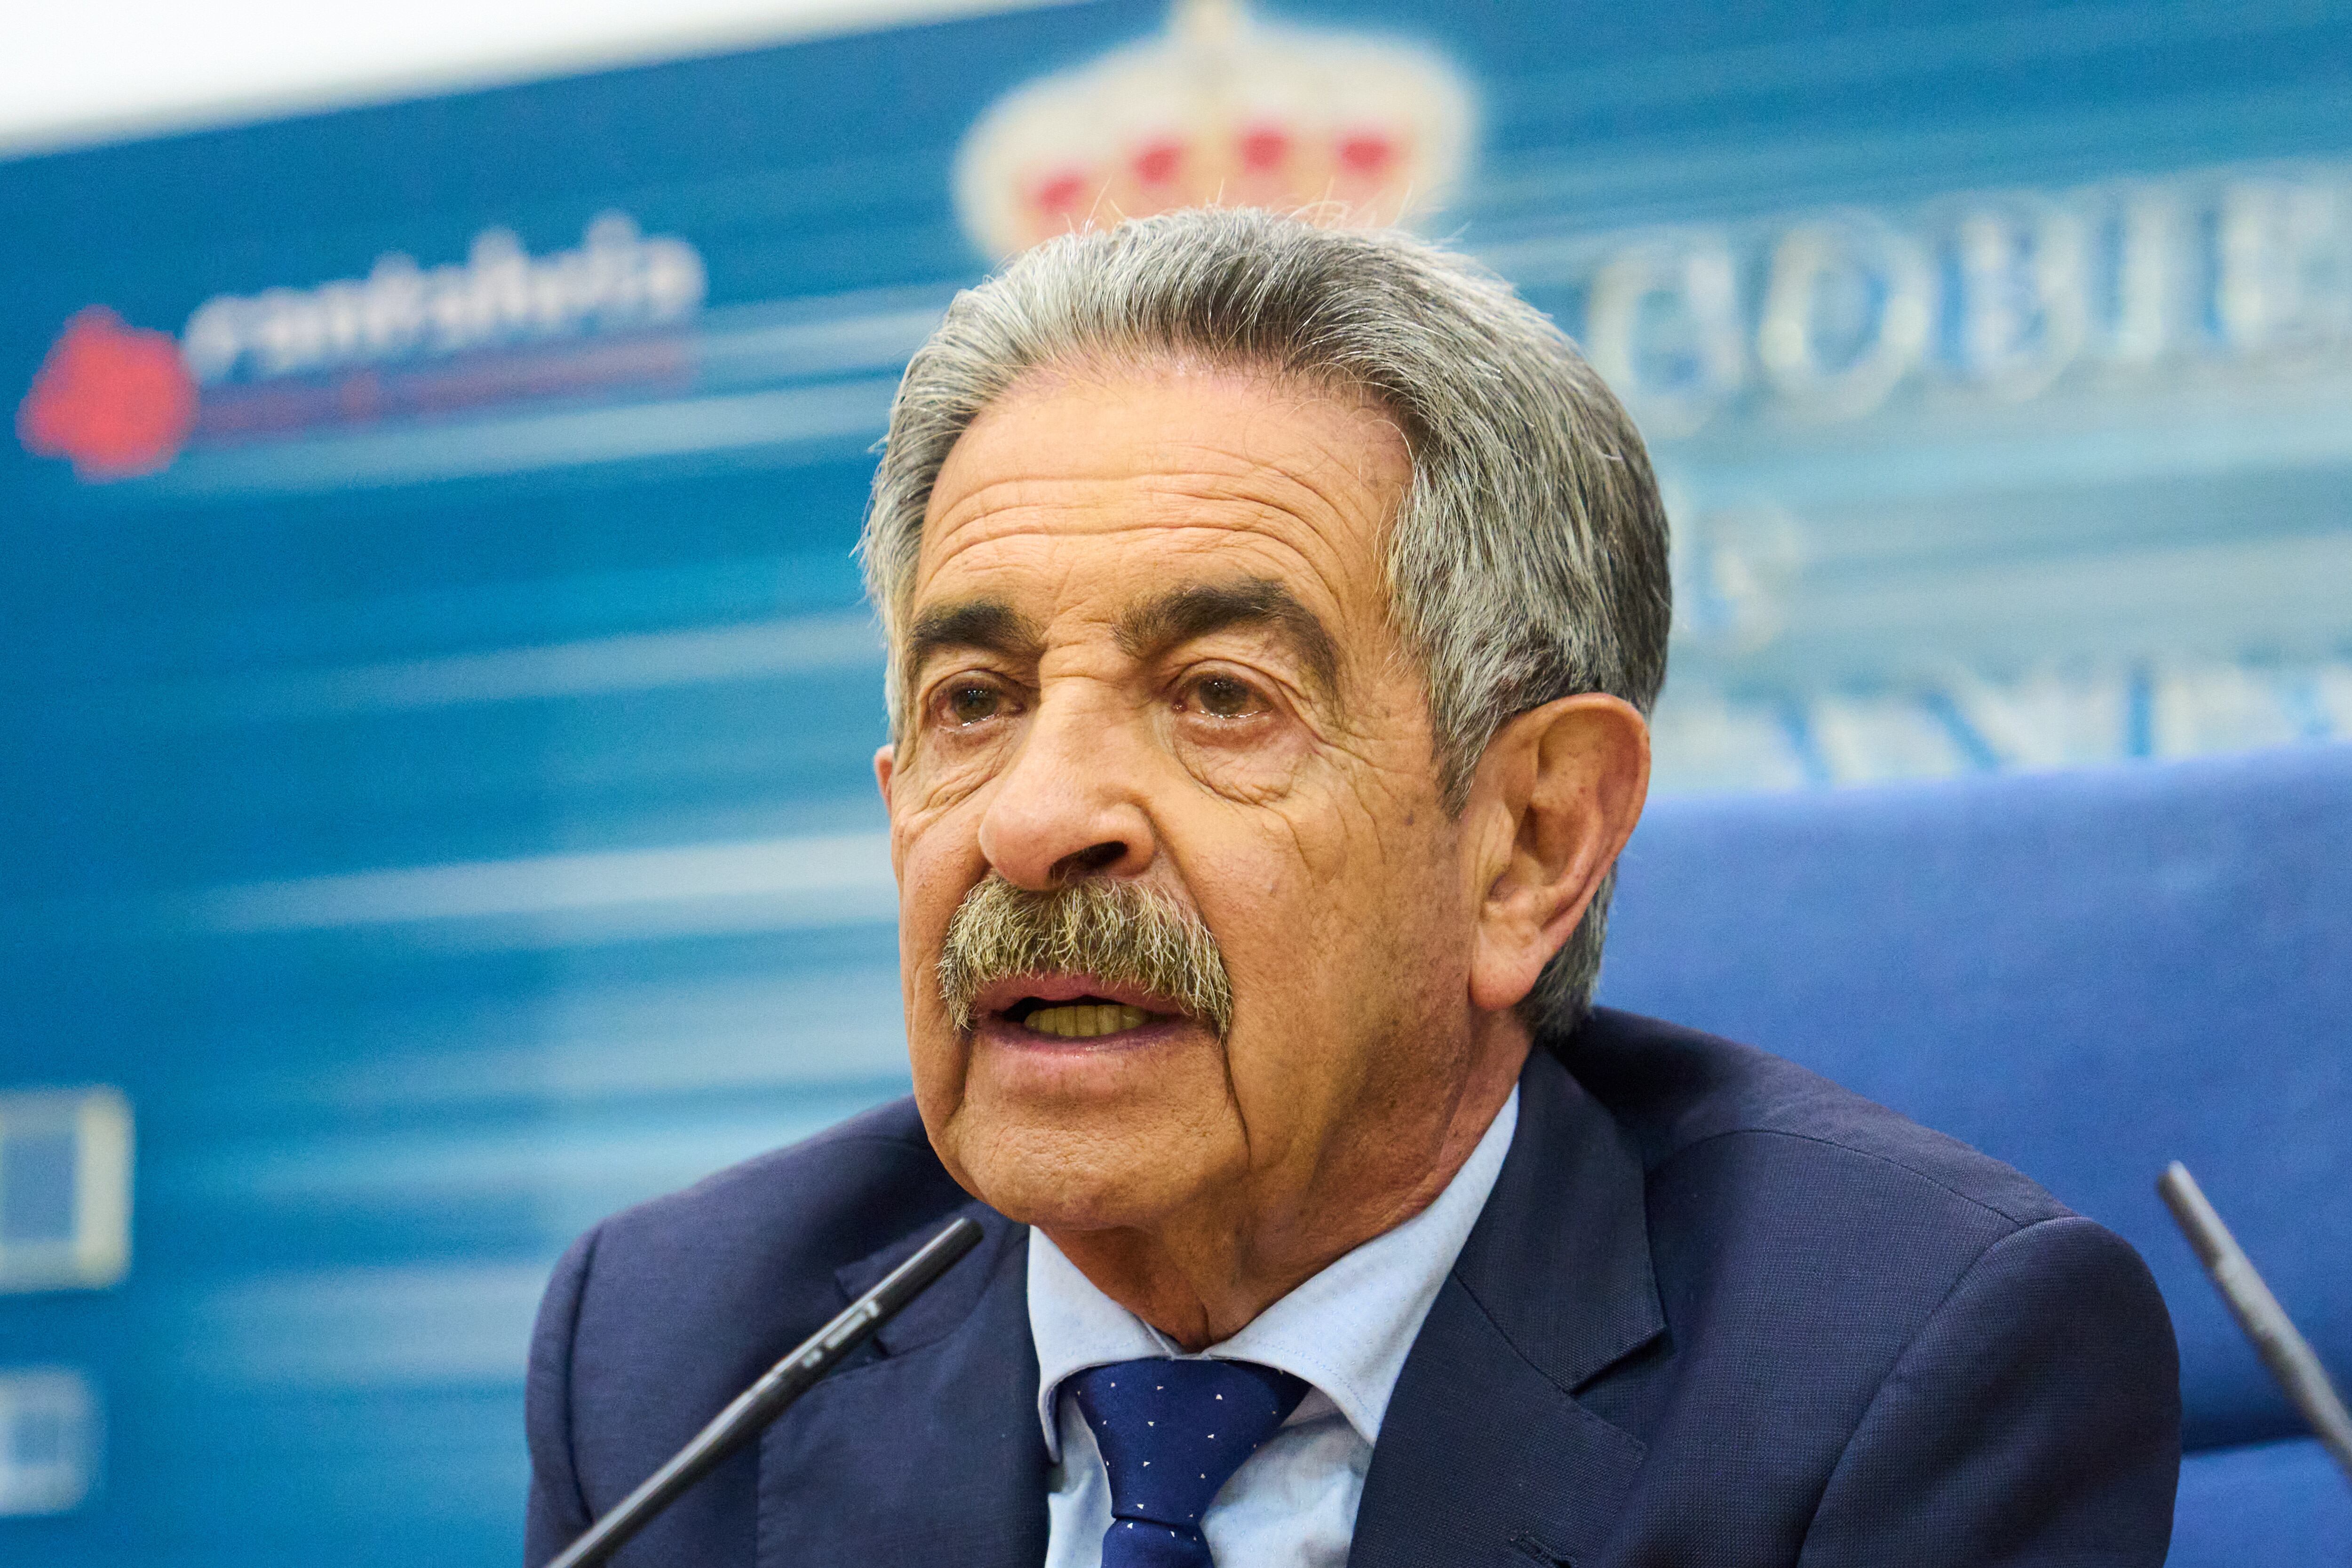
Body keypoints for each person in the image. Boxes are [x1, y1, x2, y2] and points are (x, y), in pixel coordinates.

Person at [523, 208, 2179, 1568]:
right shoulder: (671, 1360)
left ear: (1530, 843)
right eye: (977, 701)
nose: (1034, 822)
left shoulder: (1894, 1382)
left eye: (1219, 697)